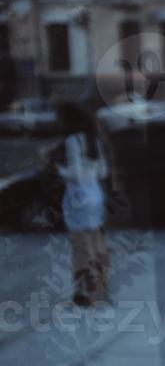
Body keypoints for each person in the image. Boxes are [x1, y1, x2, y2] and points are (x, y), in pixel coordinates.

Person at [53, 101, 110, 306]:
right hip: (96, 195)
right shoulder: (94, 140)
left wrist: (58, 169)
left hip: (78, 200)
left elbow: (75, 175)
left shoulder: (72, 141)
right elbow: (103, 172)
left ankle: (84, 293)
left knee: (80, 247)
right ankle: (100, 292)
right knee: (96, 246)